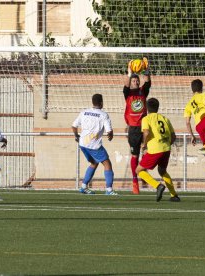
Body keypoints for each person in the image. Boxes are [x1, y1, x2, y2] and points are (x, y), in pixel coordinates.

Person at [72, 94, 117, 195]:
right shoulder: (103, 115)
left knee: (94, 163)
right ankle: (109, 190)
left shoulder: (84, 112)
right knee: (107, 164)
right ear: (101, 102)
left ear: (92, 102)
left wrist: (76, 136)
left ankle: (83, 187)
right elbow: (109, 131)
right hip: (94, 145)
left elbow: (74, 125)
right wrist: (110, 135)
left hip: (83, 144)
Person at [136, 98, 180, 202]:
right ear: (157, 107)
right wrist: (167, 144)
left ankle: (158, 186)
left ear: (147, 108)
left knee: (138, 170)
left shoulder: (146, 119)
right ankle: (174, 195)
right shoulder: (164, 118)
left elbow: (146, 133)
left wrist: (144, 144)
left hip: (155, 149)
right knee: (162, 171)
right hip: (166, 149)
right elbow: (173, 136)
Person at [123, 58, 151, 194]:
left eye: (137, 80)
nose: (136, 82)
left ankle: (145, 175)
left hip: (144, 127)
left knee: (149, 153)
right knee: (135, 155)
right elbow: (125, 85)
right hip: (133, 129)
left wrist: (146, 69)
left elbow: (148, 82)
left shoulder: (142, 91)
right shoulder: (128, 93)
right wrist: (129, 73)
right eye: (134, 80)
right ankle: (135, 181)